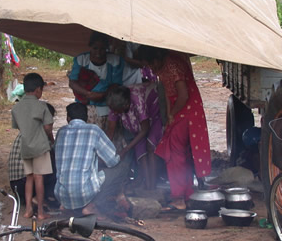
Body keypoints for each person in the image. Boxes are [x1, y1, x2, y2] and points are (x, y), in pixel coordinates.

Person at [137, 46, 211, 210]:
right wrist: (170, 116)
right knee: (179, 153)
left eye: (150, 64)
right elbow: (169, 95)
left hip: (187, 111)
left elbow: (183, 95)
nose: (151, 69)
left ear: (155, 59)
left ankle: (179, 197)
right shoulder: (164, 65)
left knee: (174, 154)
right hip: (180, 112)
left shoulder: (172, 64)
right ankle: (186, 193)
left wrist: (173, 114)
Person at [54, 102, 132, 217]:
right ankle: (92, 206)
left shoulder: (61, 132)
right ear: (86, 117)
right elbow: (112, 161)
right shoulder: (93, 130)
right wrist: (124, 152)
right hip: (84, 193)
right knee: (122, 167)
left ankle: (67, 206)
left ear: (68, 118)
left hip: (61, 194)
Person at [11, 73, 54, 220]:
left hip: (26, 146)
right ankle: (40, 212)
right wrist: (51, 139)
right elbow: (48, 127)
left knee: (29, 177)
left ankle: (28, 210)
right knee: (39, 178)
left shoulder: (16, 108)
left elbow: (17, 126)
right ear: (37, 90)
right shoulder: (41, 106)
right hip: (40, 146)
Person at [106, 83, 163, 190]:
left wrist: (125, 149)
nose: (115, 113)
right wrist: (104, 150)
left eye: (117, 111)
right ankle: (146, 185)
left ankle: (152, 186)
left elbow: (145, 129)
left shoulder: (137, 99)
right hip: (139, 125)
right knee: (139, 151)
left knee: (150, 146)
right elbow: (110, 130)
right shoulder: (115, 105)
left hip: (154, 115)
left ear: (126, 105)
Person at [68, 31, 124, 129]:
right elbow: (72, 82)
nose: (98, 52)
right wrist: (88, 94)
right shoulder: (81, 59)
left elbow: (116, 84)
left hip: (107, 105)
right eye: (95, 48)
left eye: (102, 49)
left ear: (107, 48)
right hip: (85, 105)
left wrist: (102, 95)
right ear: (90, 46)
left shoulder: (115, 61)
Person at [8, 103, 57, 206]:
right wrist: (50, 136)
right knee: (55, 165)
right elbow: (53, 154)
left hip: (16, 185)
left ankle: (31, 201)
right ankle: (42, 198)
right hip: (24, 182)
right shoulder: (40, 136)